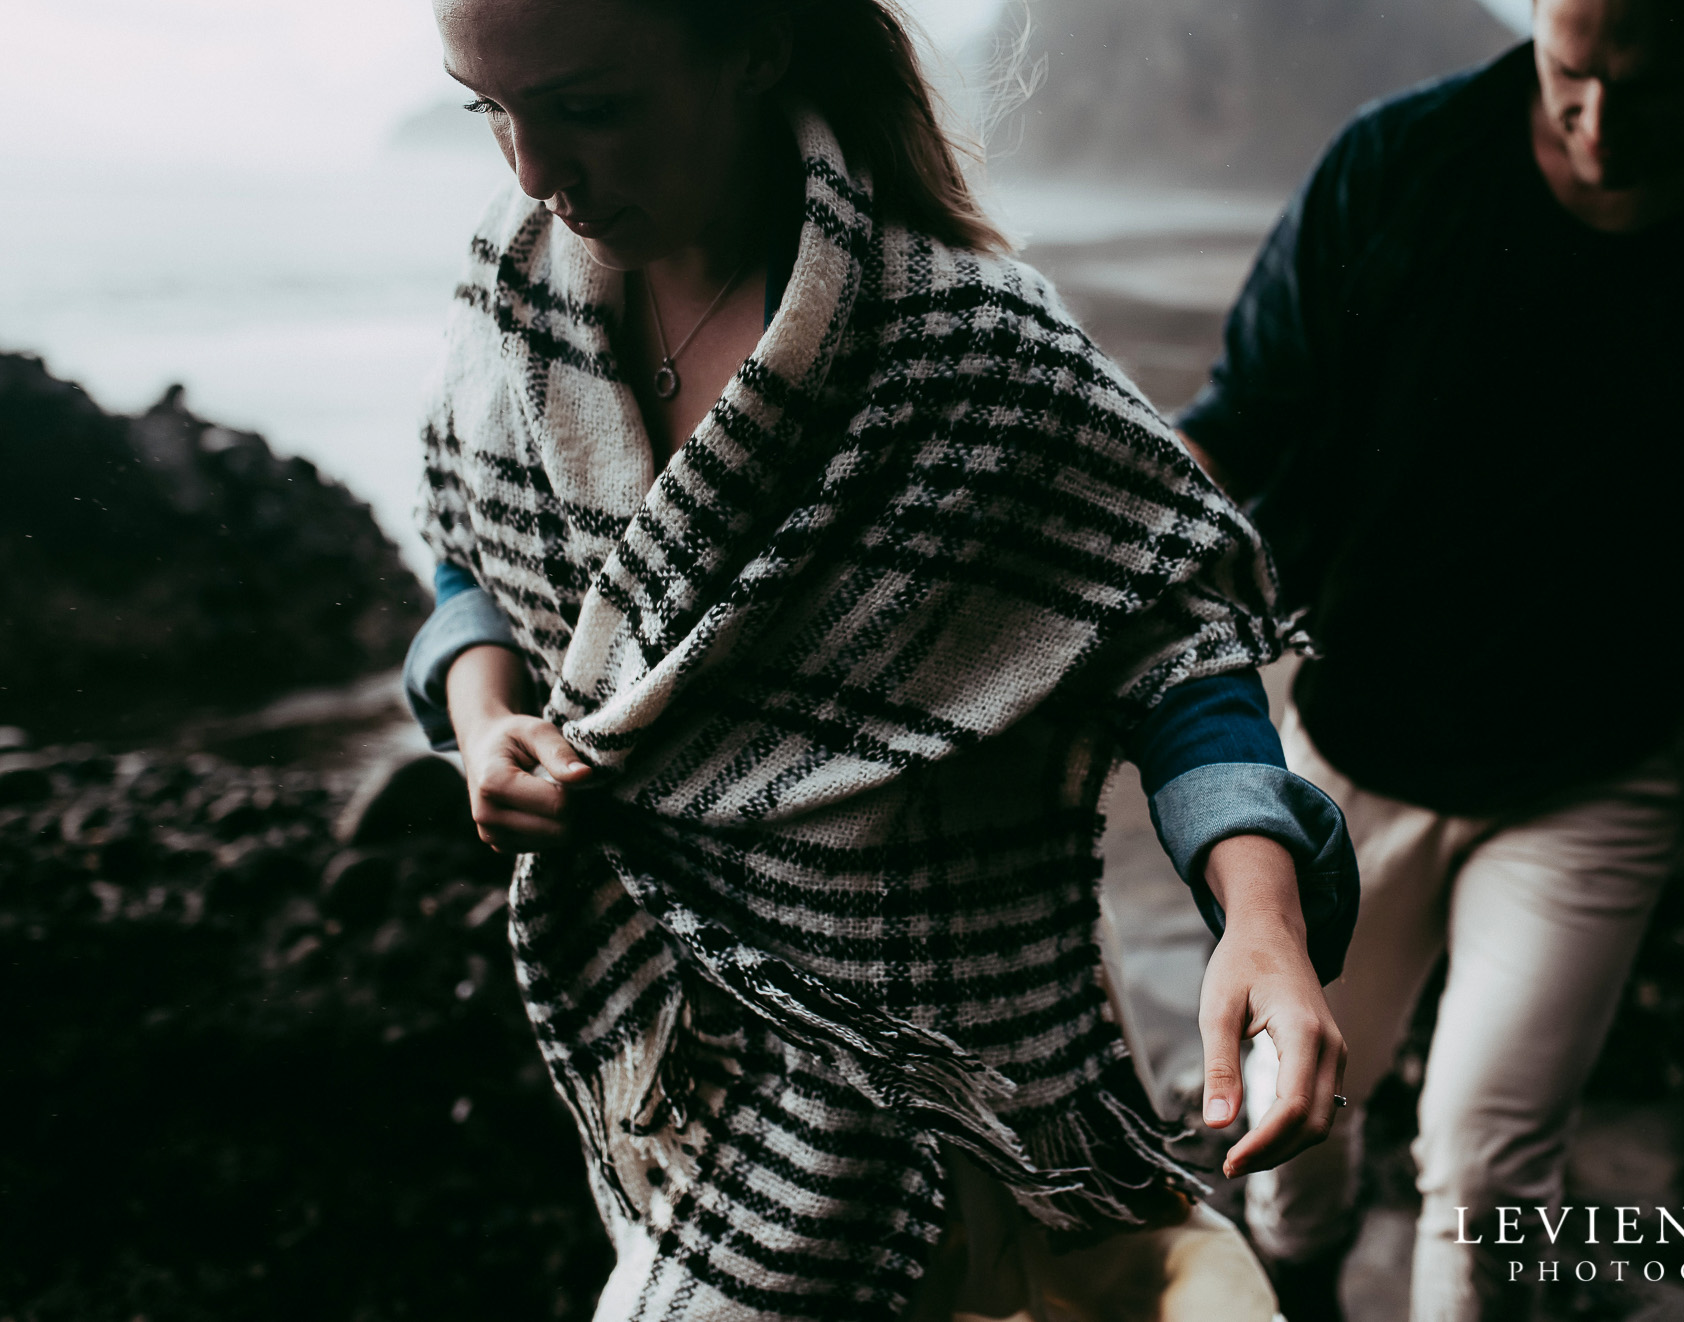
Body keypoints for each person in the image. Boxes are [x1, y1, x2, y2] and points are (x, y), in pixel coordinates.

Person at [400, 1, 1360, 1318]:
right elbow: (471, 557)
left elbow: (1173, 632)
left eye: (590, 107)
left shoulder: (964, 345)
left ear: (750, 42)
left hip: (938, 1084)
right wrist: (485, 710)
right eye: (488, 109)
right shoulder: (512, 303)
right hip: (669, 1072)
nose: (533, 170)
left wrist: (1261, 918)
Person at [1175, 0, 1684, 1318]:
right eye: (1572, 75)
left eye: (1648, 89)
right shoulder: (1394, 168)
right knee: (1291, 1129)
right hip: (1353, 753)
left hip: (1596, 777)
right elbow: (1236, 429)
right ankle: (1300, 1288)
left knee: (1488, 1178)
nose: (1599, 125)